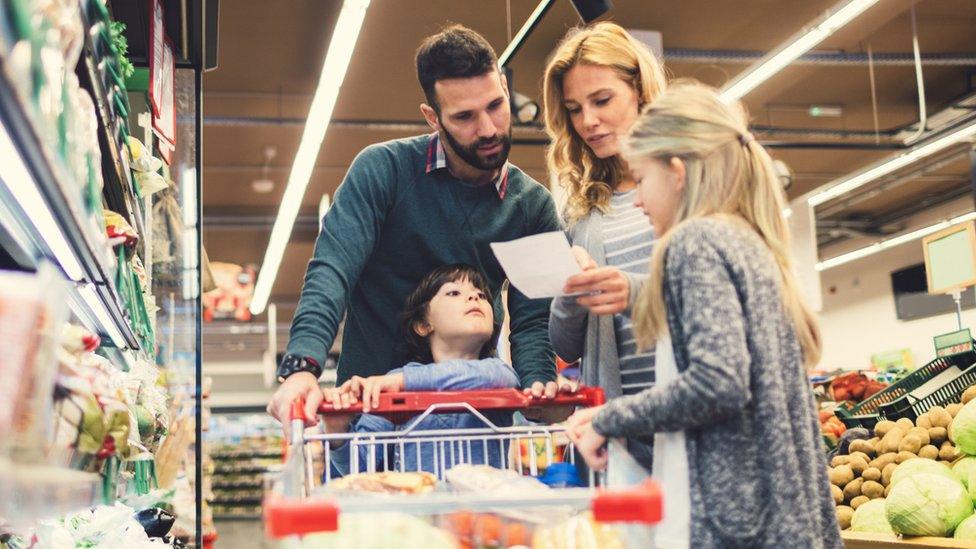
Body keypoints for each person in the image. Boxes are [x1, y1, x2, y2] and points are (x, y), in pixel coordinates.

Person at [565, 81, 842, 548]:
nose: (637, 199)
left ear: (676, 173)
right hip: (785, 520)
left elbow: (718, 382)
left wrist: (610, 417)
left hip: (736, 525)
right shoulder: (746, 240)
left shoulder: (694, 243)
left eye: (643, 178)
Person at [267, 25, 566, 431]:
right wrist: (303, 366)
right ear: (433, 118)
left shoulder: (532, 206)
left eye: (496, 105)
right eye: (464, 116)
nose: (489, 129)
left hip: (475, 419)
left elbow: (532, 320)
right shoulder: (383, 171)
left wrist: (538, 390)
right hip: (373, 418)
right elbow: (332, 270)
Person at [542, 22, 667, 467]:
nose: (588, 122)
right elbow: (565, 345)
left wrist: (629, 290)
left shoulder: (688, 186)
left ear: (640, 90)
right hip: (618, 435)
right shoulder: (582, 211)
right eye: (575, 109)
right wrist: (571, 291)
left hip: (694, 417)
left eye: (602, 100)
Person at [322, 264, 518, 476]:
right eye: (454, 292)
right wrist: (337, 430)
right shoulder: (395, 382)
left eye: (481, 294)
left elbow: (500, 378)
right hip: (419, 505)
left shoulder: (496, 371)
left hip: (483, 507)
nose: (474, 298)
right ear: (423, 325)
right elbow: (359, 467)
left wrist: (404, 381)